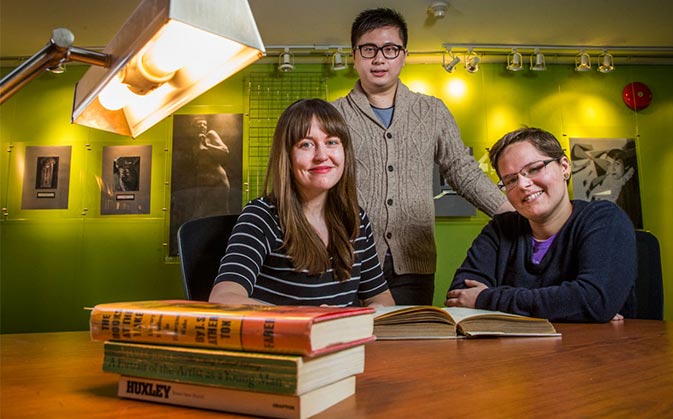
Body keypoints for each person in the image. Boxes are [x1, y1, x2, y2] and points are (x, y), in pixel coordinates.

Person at [332, 8, 513, 305]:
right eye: (369, 49)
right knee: (349, 345)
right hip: (347, 261)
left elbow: (461, 170)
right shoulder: (334, 115)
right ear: (354, 55)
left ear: (403, 55)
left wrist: (513, 214)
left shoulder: (432, 111)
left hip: (413, 264)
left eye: (390, 49)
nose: (379, 58)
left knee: (411, 347)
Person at [209, 99, 395, 308]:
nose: (322, 155)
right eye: (306, 144)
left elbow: (380, 299)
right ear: (287, 157)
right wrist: (303, 318)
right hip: (283, 339)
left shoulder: (356, 218)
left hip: (340, 340)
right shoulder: (262, 216)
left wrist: (362, 319)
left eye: (332, 142)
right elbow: (224, 297)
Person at [445, 127, 636, 322]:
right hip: (514, 351)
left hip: (594, 349)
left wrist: (485, 298)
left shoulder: (604, 219)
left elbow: (594, 301)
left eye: (534, 169)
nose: (522, 184)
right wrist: (568, 305)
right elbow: (459, 296)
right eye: (510, 180)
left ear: (564, 167)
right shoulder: (500, 229)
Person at [190, 117, 231, 218]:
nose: (203, 126)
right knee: (202, 211)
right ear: (194, 127)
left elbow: (225, 150)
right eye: (200, 124)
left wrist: (207, 145)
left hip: (218, 179)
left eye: (205, 124)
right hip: (204, 182)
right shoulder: (194, 143)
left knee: (222, 209)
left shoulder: (210, 135)